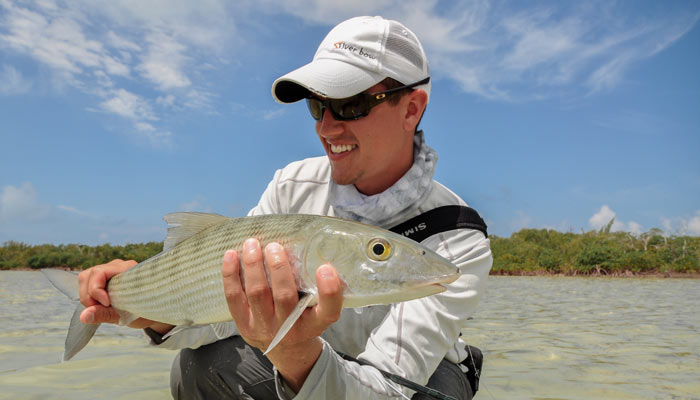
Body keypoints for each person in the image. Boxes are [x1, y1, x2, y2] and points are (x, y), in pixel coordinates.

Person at [78, 16, 492, 399]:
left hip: (413, 380)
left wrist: (296, 352)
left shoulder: (457, 238)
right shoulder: (291, 185)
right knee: (197, 366)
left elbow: (387, 387)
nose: (326, 128)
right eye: (317, 105)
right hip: (308, 361)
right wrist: (149, 308)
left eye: (350, 104)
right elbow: (225, 310)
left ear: (412, 109)